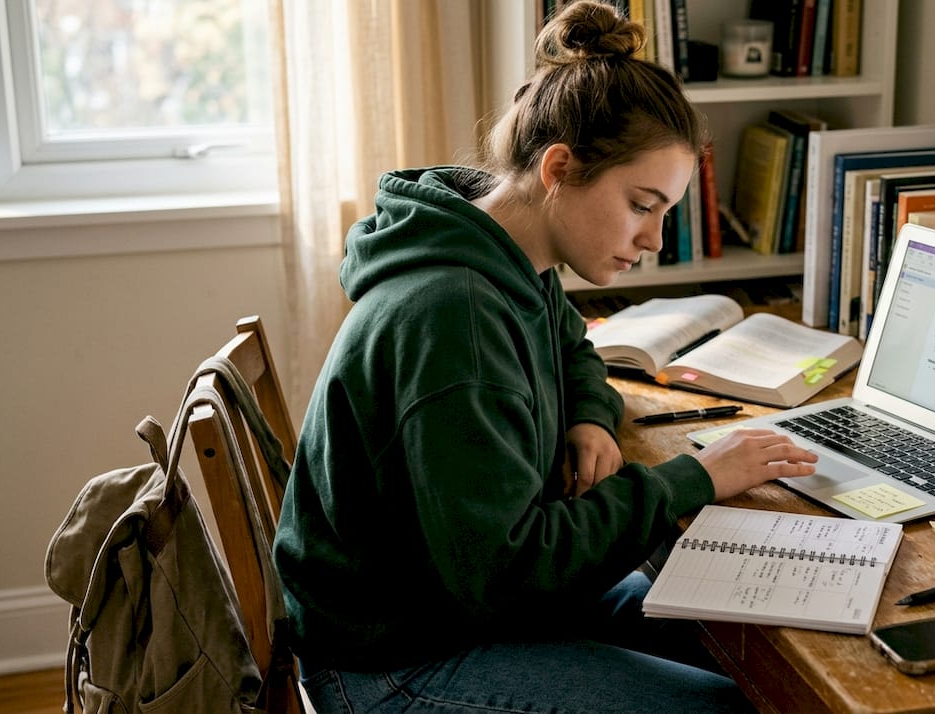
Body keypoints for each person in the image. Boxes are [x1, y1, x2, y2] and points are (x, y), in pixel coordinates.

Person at [271, 2, 820, 712]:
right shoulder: (455, 317)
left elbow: (571, 345)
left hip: (451, 602)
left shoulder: (501, 250)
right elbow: (507, 570)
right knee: (725, 702)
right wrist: (694, 479)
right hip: (394, 656)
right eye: (641, 204)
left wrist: (589, 416)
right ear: (560, 167)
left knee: (727, 632)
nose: (653, 239)